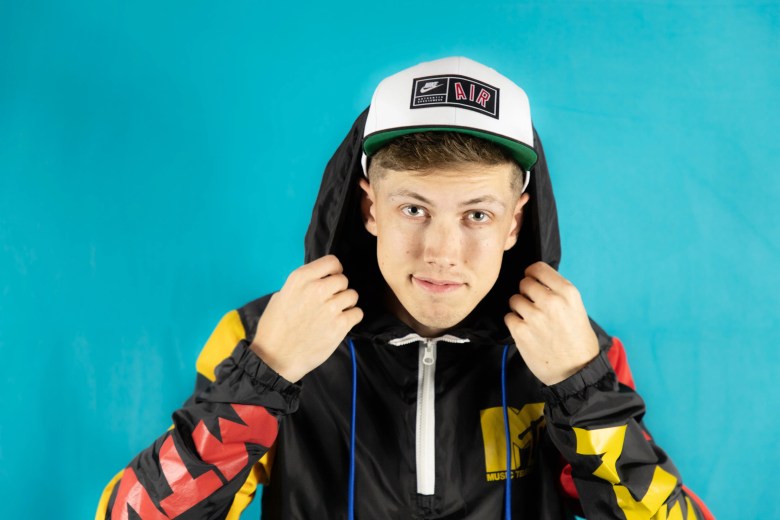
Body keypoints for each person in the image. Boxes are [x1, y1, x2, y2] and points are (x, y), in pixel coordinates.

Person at [97, 57, 714, 519]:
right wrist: (266, 375)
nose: (441, 253)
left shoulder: (579, 351)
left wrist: (582, 389)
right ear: (369, 209)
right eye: (413, 209)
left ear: (516, 221)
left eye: (477, 214)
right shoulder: (263, 336)